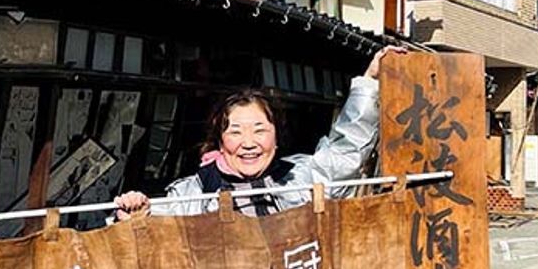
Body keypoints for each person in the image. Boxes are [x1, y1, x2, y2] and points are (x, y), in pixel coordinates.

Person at [113, 45, 406, 221]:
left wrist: (369, 81)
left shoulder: (302, 178)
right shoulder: (191, 194)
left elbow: (348, 150)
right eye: (236, 132)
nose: (249, 143)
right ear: (221, 140)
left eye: (259, 130)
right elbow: (140, 239)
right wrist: (134, 214)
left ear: (276, 137)